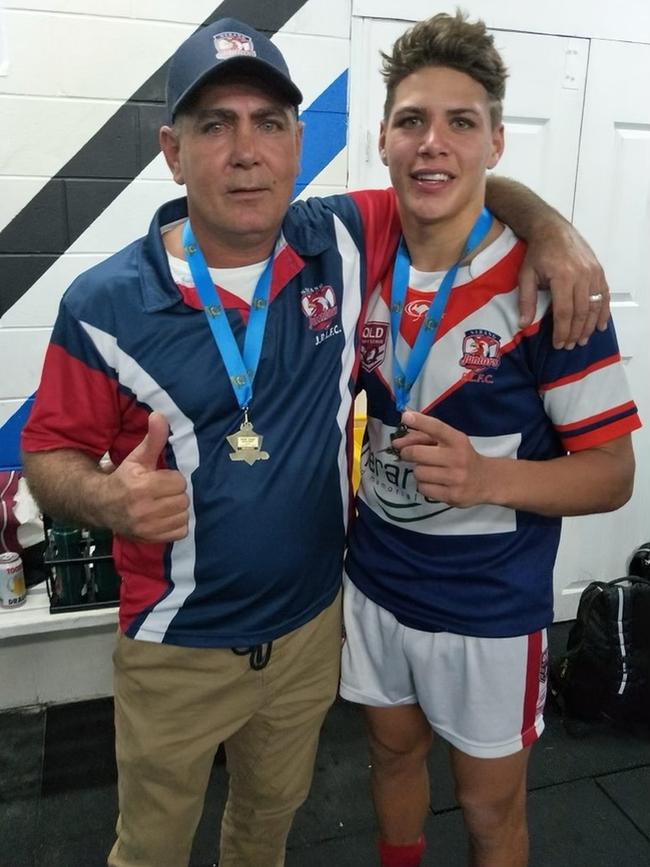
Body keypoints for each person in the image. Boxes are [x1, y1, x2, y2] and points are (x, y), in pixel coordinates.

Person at [20, 16, 612, 867]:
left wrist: (552, 229)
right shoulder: (104, 303)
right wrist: (106, 497)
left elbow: (450, 178)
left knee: (266, 832)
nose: (245, 150)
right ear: (171, 151)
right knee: (148, 847)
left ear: (299, 144)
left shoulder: (334, 238)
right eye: (214, 125)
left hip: (309, 632)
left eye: (268, 123)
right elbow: (48, 458)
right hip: (177, 646)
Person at [340, 11, 641, 867]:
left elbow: (613, 474)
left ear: (496, 142)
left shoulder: (550, 285)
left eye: (461, 123)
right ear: (385, 141)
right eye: (412, 121)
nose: (433, 143)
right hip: (375, 580)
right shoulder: (361, 247)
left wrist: (487, 481)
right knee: (390, 756)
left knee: (487, 808)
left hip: (487, 611)